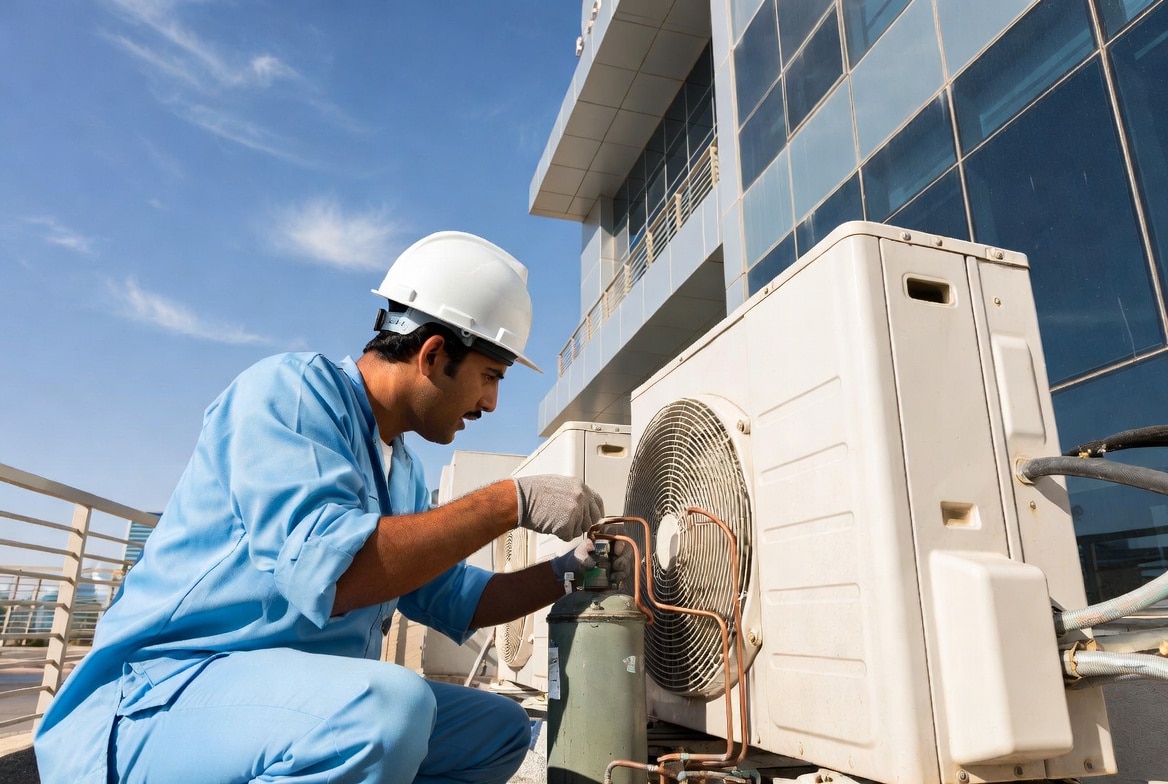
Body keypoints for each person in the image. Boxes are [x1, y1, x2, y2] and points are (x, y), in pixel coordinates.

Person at [34, 230, 629, 784]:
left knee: (495, 733)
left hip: (280, 710)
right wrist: (509, 501)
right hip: (161, 699)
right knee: (388, 709)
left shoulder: (402, 470)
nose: (493, 403)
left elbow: (459, 598)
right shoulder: (290, 395)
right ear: (431, 354)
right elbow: (340, 573)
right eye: (489, 376)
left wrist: (567, 570)